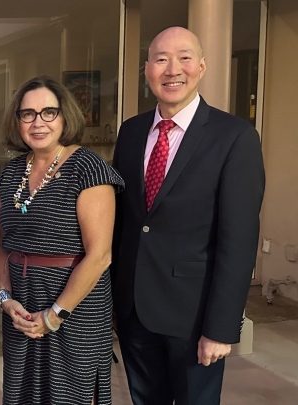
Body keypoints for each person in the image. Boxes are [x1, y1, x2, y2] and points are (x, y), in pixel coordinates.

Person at [111, 27, 265, 405]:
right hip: (134, 311)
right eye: (161, 59)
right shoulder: (130, 132)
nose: (171, 69)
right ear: (147, 69)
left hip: (194, 316)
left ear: (202, 66)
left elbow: (239, 241)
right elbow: (124, 224)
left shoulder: (234, 137)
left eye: (183, 58)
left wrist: (222, 327)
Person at [0, 76, 124, 405]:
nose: (38, 123)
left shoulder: (87, 167)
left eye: (48, 112)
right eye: (28, 114)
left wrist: (54, 315)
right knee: (24, 394)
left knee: (71, 395)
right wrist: (5, 298)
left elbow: (100, 256)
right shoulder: (11, 173)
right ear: (17, 120)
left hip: (75, 309)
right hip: (21, 310)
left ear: (65, 117)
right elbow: (2, 244)